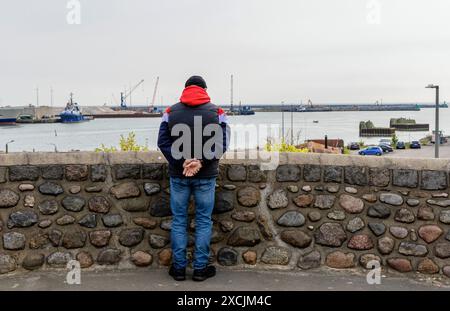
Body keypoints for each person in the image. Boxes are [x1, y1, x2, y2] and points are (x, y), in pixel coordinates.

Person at [157, 76, 229, 282]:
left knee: (179, 220)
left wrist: (182, 162)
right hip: (206, 175)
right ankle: (199, 269)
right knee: (204, 221)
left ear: (185, 89)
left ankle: (179, 269)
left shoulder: (170, 112)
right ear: (205, 90)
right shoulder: (218, 112)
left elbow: (162, 142)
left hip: (179, 175)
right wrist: (201, 162)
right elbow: (222, 143)